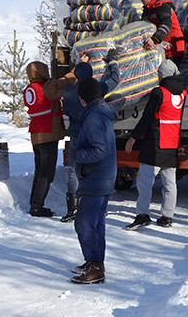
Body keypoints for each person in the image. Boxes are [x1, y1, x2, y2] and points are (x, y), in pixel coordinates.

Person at [124, 60, 186, 230]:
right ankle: (167, 216)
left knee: (145, 181)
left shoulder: (159, 93)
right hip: (172, 141)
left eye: (159, 73)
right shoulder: (183, 94)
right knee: (169, 183)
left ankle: (142, 215)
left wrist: (133, 137)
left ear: (163, 75)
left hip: (156, 142)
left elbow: (147, 117)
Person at [61, 54, 119, 223]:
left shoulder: (69, 91)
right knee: (95, 168)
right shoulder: (97, 87)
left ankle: (72, 208)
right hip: (92, 133)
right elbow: (115, 81)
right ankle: (98, 206)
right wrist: (113, 65)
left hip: (75, 134)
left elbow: (66, 111)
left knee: (73, 170)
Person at [70, 78, 117, 284]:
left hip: (97, 177)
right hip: (101, 176)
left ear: (82, 99)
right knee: (95, 223)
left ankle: (95, 267)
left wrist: (78, 156)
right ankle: (95, 262)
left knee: (85, 223)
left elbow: (100, 149)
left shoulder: (94, 117)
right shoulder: (101, 111)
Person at [24, 61, 77, 217]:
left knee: (40, 171)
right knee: (46, 173)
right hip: (47, 134)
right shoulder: (45, 87)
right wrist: (76, 70)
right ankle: (36, 207)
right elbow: (64, 82)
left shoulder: (29, 89)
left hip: (36, 135)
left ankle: (35, 204)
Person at [139, 0, 185, 67]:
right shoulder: (147, 10)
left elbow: (166, 24)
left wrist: (155, 39)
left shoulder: (162, 6)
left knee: (168, 75)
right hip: (161, 48)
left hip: (172, 48)